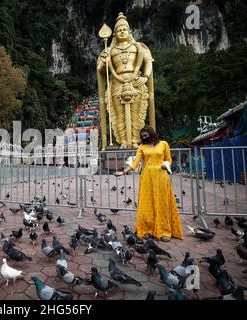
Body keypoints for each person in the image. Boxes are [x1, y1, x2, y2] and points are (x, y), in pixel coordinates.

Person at [114, 125, 183, 242]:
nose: (144, 138)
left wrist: (166, 165)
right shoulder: (141, 147)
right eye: (142, 136)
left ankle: (164, 231)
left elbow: (169, 160)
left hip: (161, 177)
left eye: (146, 135)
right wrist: (123, 172)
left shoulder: (163, 144)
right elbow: (135, 163)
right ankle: (147, 229)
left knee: (162, 203)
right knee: (147, 204)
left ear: (152, 133)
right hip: (147, 178)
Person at [97, 12, 155, 149]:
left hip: (135, 81)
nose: (122, 32)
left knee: (136, 113)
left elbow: (148, 62)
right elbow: (100, 69)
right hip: (117, 83)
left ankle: (135, 140)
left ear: (130, 31)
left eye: (124, 29)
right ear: (114, 34)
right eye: (119, 30)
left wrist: (145, 77)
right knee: (118, 114)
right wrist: (105, 61)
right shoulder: (109, 50)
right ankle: (123, 141)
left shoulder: (138, 47)